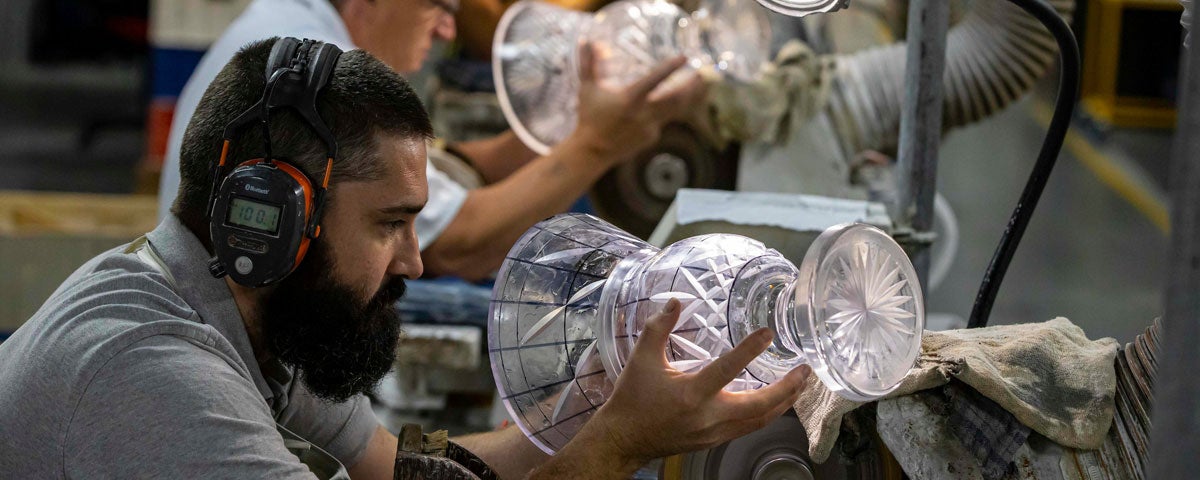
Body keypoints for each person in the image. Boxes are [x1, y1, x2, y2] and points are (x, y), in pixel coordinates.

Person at [0, 39, 809, 478]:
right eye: (390, 224)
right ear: (277, 224)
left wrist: (592, 407)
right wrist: (620, 448)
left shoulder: (257, 317)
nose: (415, 264)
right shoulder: (154, 377)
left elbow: (395, 470)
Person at [157, 0, 706, 280]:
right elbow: (458, 242)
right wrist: (596, 146)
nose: (447, 29)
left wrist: (578, 127)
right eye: (434, 5)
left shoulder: (297, 27)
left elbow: (444, 175)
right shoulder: (311, 69)